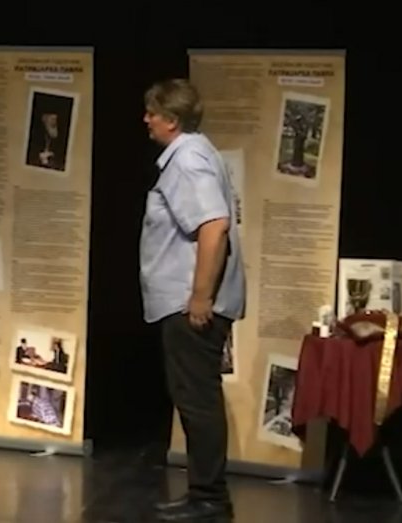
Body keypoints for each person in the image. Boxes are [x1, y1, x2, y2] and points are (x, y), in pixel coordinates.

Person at [139, 79, 245, 521]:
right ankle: (207, 494)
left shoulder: (187, 159)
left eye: (152, 112)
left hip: (191, 305)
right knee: (196, 396)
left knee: (197, 399)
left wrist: (200, 297)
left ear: (172, 120)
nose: (146, 119)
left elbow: (214, 226)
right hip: (189, 302)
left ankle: (209, 498)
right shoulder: (198, 153)